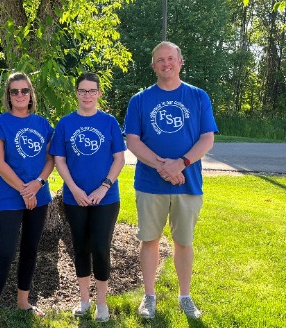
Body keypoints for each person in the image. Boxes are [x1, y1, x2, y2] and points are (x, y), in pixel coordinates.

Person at [123, 41, 218, 320]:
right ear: (153, 66)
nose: (166, 63)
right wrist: (164, 167)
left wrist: (182, 164)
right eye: (160, 60)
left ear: (180, 62)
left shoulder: (198, 96)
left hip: (188, 184)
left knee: (184, 242)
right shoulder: (139, 100)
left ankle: (185, 296)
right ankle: (149, 296)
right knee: (149, 239)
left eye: (170, 59)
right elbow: (133, 140)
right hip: (150, 184)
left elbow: (207, 138)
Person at [49, 72, 126, 322]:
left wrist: (103, 187)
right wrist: (74, 188)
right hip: (75, 199)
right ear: (76, 93)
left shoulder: (109, 122)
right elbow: (59, 159)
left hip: (106, 197)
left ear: (99, 93)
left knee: (101, 248)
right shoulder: (65, 124)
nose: (87, 95)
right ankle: (84, 300)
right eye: (83, 91)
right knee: (80, 248)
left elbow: (119, 159)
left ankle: (101, 303)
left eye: (92, 91)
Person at [0, 72, 55, 328]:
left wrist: (38, 184)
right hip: (8, 197)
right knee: (5, 252)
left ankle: (23, 301)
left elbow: (50, 159)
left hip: (39, 195)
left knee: (30, 250)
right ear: (8, 96)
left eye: (25, 91)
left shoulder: (43, 124)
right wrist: (26, 190)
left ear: (31, 94)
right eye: (15, 91)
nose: (20, 95)